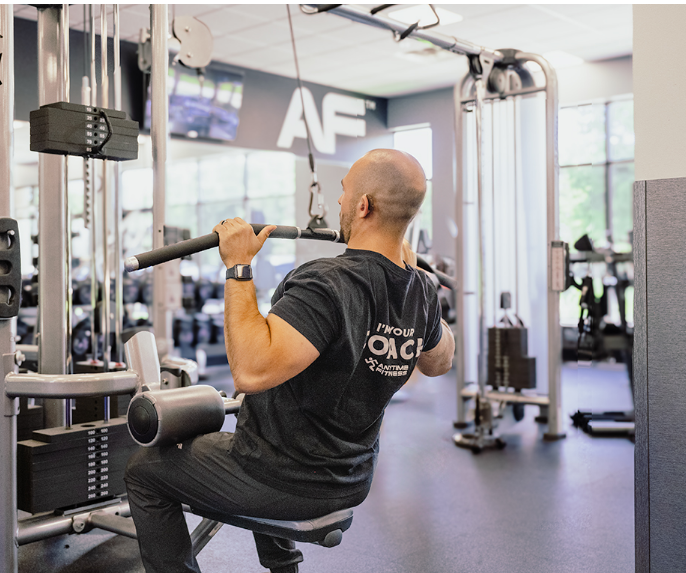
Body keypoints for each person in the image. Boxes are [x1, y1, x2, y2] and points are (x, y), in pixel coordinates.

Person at [124, 149, 455, 573]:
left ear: (363, 206)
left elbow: (250, 371)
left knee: (144, 470)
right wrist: (416, 284)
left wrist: (239, 265)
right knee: (269, 418)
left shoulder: (326, 282)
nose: (338, 201)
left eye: (343, 193)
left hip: (285, 479)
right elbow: (438, 362)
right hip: (352, 479)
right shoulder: (422, 292)